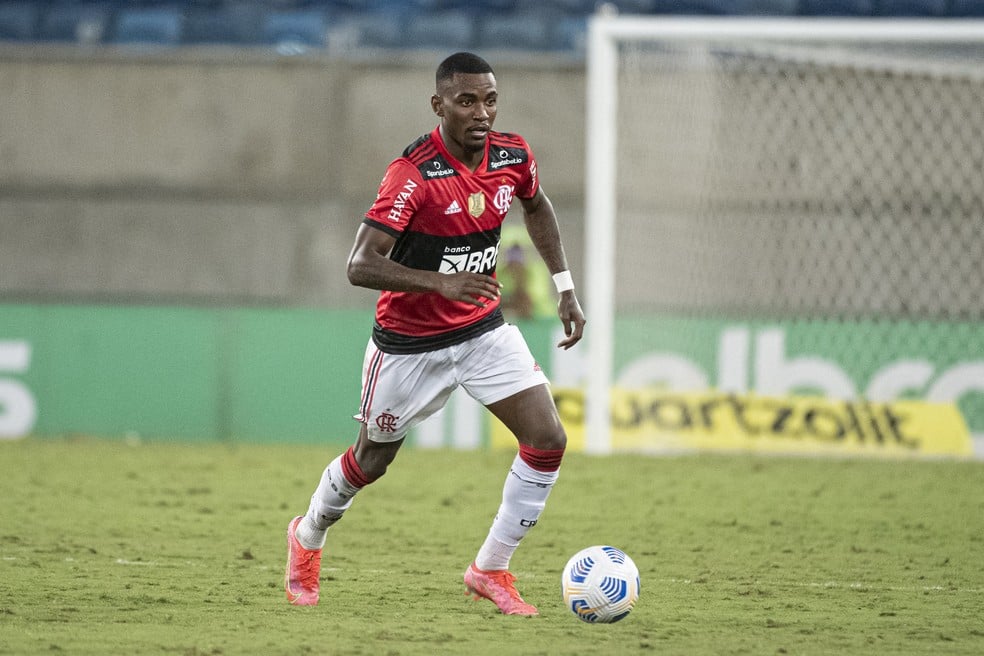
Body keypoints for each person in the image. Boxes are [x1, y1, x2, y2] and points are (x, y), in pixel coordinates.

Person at [285, 51, 586, 616]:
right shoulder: (414, 173)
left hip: (482, 331)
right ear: (439, 104)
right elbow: (359, 264)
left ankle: (490, 568)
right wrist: (437, 284)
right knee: (369, 463)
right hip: (407, 345)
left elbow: (537, 207)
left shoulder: (513, 154)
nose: (482, 112)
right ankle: (307, 536)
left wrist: (565, 285)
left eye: (490, 100)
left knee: (547, 439)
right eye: (467, 101)